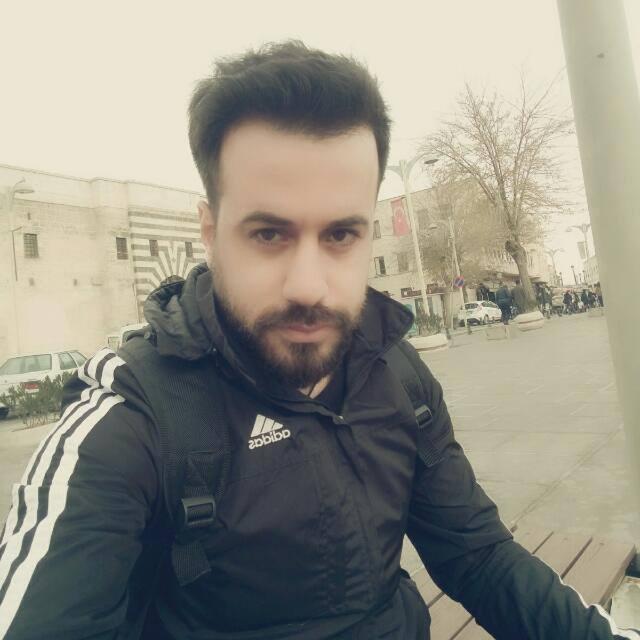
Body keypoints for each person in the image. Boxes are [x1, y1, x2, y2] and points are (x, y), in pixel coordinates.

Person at [1, 41, 636, 640]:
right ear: (210, 231)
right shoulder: (131, 419)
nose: (308, 286)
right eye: (269, 234)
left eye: (340, 235)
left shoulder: (396, 372)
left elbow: (476, 555)